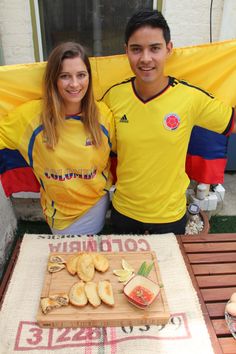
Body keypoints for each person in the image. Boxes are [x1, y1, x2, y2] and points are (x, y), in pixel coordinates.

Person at [102, 10, 235, 235]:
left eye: (154, 48)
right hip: (123, 212)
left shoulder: (190, 98)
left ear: (169, 49)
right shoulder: (113, 96)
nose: (145, 58)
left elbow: (230, 122)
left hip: (170, 217)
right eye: (136, 49)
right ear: (126, 51)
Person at [0, 42, 114, 235]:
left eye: (81, 75)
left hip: (96, 205)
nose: (75, 84)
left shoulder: (104, 115)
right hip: (60, 217)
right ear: (53, 79)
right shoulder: (29, 117)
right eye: (65, 76)